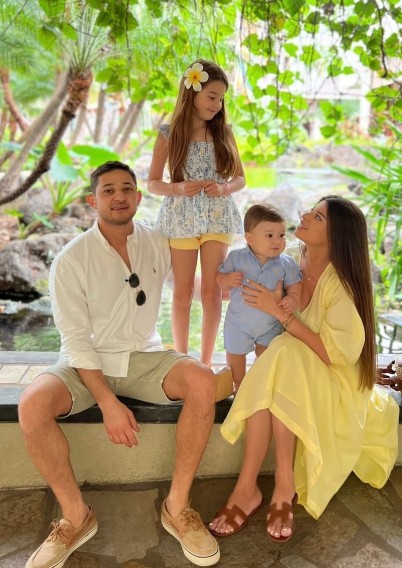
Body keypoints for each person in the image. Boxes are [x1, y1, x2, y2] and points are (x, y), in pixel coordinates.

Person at [18, 161, 226, 568]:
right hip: (86, 364)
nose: (119, 196)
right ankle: (75, 517)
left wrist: (236, 283)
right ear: (92, 201)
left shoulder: (157, 241)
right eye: (108, 190)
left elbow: (186, 286)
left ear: (139, 196)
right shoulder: (71, 259)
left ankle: (178, 507)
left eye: (127, 188)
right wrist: (108, 403)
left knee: (202, 380)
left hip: (143, 357)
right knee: (32, 403)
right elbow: (76, 341)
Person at [207, 196, 399, 541]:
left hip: (331, 376)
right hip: (289, 367)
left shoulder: (340, 284)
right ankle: (258, 486)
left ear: (336, 236)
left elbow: (333, 354)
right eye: (312, 210)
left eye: (318, 217)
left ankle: (271, 486)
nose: (306, 215)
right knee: (282, 357)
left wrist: (280, 313)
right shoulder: (288, 260)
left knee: (282, 353)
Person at [148, 59, 246, 366]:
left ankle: (204, 363)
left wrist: (224, 188)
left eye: (221, 99)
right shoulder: (168, 134)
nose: (217, 105)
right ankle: (181, 360)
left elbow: (240, 178)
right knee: (182, 292)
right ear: (192, 92)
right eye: (212, 96)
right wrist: (177, 188)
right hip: (181, 217)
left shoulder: (224, 133)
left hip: (217, 216)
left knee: (211, 291)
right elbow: (152, 183)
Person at [217, 204, 302, 392]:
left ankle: (259, 387)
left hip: (269, 324)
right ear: (250, 239)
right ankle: (239, 386)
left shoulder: (286, 263)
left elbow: (295, 285)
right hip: (238, 323)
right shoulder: (236, 258)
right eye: (269, 235)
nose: (277, 241)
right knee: (235, 357)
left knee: (267, 358)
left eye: (281, 235)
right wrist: (227, 280)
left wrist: (293, 299)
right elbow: (219, 279)